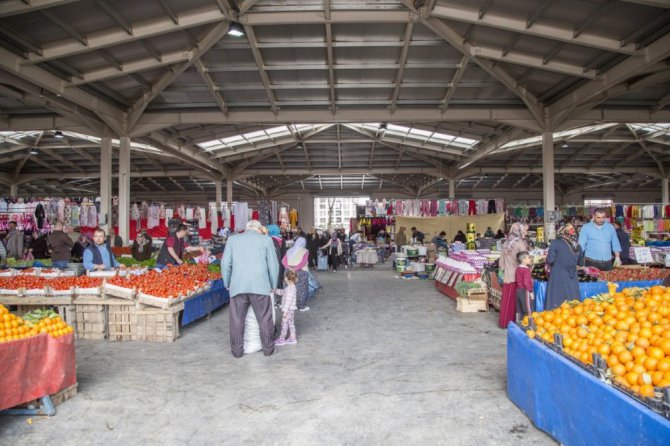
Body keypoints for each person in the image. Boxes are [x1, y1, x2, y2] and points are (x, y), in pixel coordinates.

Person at [222, 220, 279, 358]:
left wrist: (227, 282)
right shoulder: (266, 240)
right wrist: (273, 284)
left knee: (237, 320)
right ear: (258, 229)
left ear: (246, 228)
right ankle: (268, 350)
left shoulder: (232, 240)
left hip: (238, 286)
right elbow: (273, 264)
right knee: (265, 318)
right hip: (260, 285)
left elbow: (225, 263)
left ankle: (237, 351)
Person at [545, 224, 582, 311]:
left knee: (557, 298)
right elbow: (580, 262)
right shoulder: (577, 245)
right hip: (572, 274)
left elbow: (550, 260)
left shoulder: (555, 243)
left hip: (558, 274)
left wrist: (545, 258)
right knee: (572, 296)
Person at [499, 222, 528, 328]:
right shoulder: (520, 243)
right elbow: (524, 260)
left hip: (507, 275)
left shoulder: (506, 242)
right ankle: (512, 323)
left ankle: (504, 322)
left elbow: (501, 262)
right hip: (516, 276)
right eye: (523, 230)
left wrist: (504, 270)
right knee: (514, 301)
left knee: (506, 300)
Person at [282, 237, 310, 312]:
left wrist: (289, 267)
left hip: (289, 271)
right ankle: (301, 306)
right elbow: (303, 262)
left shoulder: (289, 250)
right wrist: (295, 268)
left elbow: (283, 261)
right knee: (301, 289)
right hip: (301, 272)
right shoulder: (305, 251)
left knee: (288, 288)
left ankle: (287, 304)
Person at [273, 270, 299, 346]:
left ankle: (281, 339)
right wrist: (275, 290)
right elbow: (282, 292)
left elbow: (288, 301)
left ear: (286, 278)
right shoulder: (291, 287)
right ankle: (292, 338)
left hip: (287, 311)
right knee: (291, 324)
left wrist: (285, 311)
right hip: (291, 310)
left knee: (284, 324)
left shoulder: (290, 289)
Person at [515, 251, 534, 319]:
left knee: (519, 308)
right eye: (528, 258)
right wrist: (531, 292)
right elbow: (526, 282)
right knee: (528, 308)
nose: (530, 259)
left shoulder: (518, 268)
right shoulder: (526, 270)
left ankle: (519, 322)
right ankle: (529, 324)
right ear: (524, 260)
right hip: (525, 291)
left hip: (518, 290)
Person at [267, 225, 285, 289]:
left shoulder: (270, 239)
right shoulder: (281, 239)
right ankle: (279, 289)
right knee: (279, 275)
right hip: (281, 261)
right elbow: (284, 253)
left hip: (274, 261)